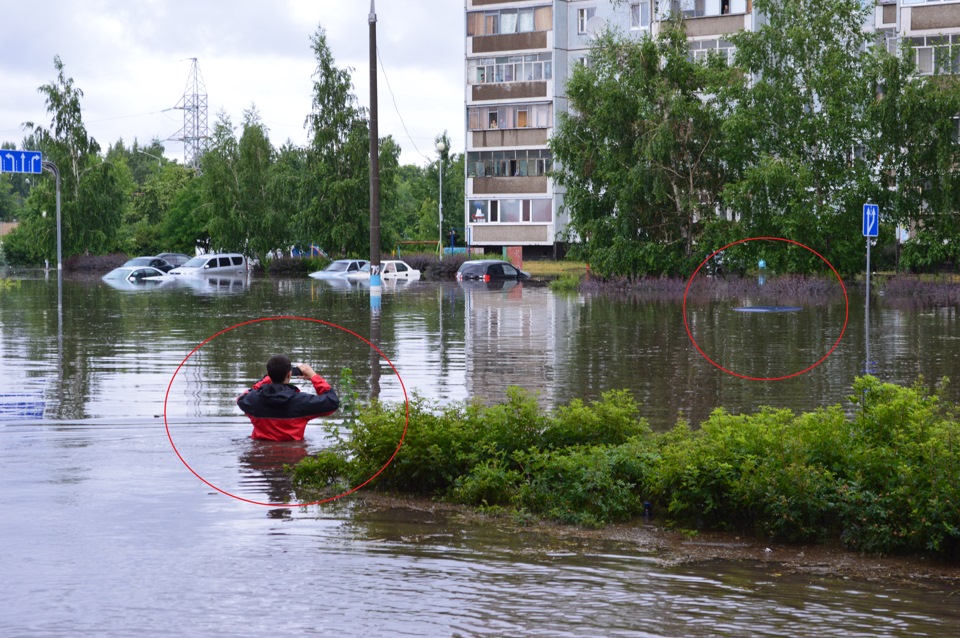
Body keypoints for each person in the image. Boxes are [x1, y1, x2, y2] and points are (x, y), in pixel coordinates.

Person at [237, 354, 340, 441]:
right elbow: (332, 401)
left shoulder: (254, 400)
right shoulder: (302, 402)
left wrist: (266, 379)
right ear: (289, 374)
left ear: (268, 374)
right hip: (293, 455)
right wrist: (314, 377)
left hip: (259, 455)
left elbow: (241, 397)